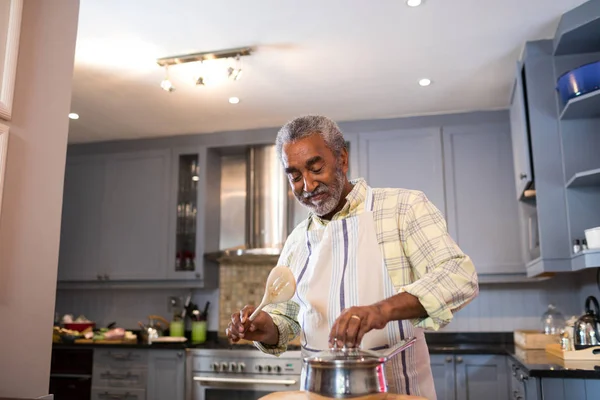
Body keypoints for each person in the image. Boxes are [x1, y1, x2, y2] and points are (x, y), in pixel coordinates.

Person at [226, 115, 479, 399]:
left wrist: (381, 311)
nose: (307, 185)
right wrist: (266, 327)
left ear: (342, 159)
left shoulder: (404, 208)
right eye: (295, 176)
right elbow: (288, 320)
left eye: (315, 167)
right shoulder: (296, 241)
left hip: (398, 393)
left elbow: (459, 276)